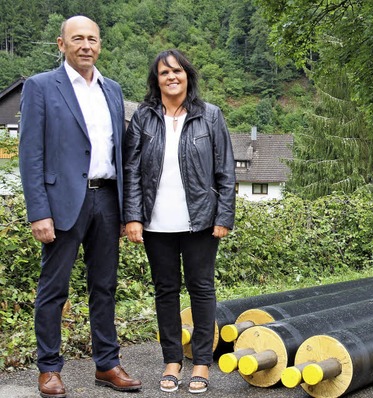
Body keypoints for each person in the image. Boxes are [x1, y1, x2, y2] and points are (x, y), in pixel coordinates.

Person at [18, 15, 142, 398]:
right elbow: (30, 153)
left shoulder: (113, 89)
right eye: (77, 39)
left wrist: (125, 209)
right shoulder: (40, 87)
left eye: (92, 39)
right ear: (61, 44)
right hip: (61, 202)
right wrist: (39, 211)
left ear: (100, 45)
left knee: (104, 286)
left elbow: (120, 152)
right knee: (53, 289)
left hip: (107, 199)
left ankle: (107, 365)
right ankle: (49, 369)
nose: (86, 45)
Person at [123, 49, 236, 394]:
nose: (171, 77)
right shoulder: (143, 117)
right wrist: (132, 217)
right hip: (156, 222)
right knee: (165, 291)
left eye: (177, 71)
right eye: (163, 73)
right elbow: (131, 171)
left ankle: (201, 361)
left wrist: (224, 215)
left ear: (188, 75)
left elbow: (226, 171)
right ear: (155, 80)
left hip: (200, 220)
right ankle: (172, 360)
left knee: (202, 290)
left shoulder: (211, 116)